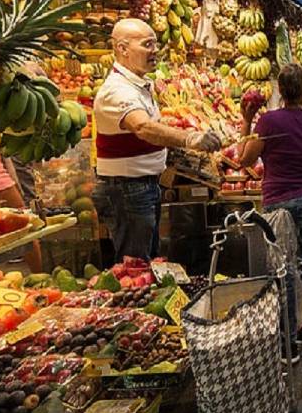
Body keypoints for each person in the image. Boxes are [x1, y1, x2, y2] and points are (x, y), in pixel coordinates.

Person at [92, 19, 222, 261]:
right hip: (127, 188)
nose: (155, 51)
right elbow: (141, 126)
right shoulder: (117, 90)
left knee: (146, 260)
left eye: (155, 44)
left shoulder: (138, 85)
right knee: (135, 264)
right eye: (147, 45)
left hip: (140, 186)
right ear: (122, 49)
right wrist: (189, 138)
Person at [236, 64, 302, 359]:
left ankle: (288, 341)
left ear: (280, 88)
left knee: (284, 269)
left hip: (278, 204)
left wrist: (246, 120)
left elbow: (244, 161)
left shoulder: (267, 122)